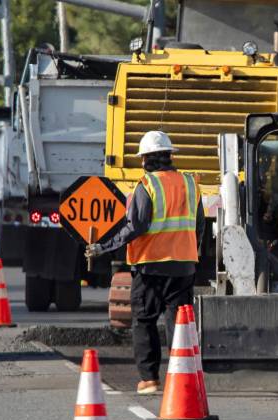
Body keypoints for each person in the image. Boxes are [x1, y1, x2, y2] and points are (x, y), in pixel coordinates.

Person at [85, 131, 204, 395]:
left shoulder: (147, 185)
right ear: (170, 156)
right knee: (180, 323)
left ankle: (150, 379)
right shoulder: (190, 183)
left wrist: (103, 247)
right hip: (184, 265)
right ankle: (180, 377)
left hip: (151, 266)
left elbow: (135, 226)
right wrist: (192, 255)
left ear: (145, 160)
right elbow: (199, 227)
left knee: (144, 320)